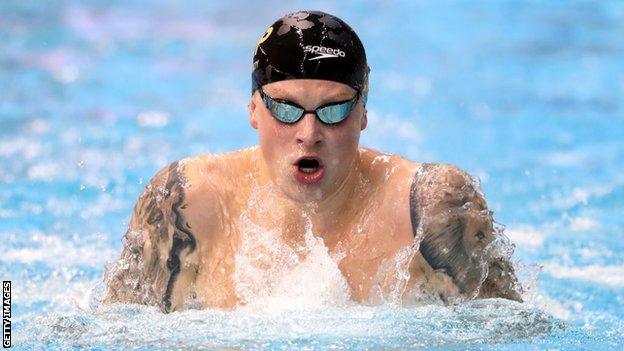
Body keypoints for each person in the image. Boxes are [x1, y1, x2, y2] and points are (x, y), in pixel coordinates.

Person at [103, 10, 522, 313]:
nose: (309, 133)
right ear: (253, 109)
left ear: (362, 114)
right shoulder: (185, 205)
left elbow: (516, 332)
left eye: (333, 110)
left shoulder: (427, 209)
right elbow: (116, 332)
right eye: (286, 109)